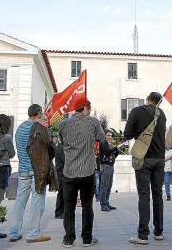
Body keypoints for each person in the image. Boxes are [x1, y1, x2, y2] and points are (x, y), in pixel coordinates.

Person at [59, 100, 105, 247]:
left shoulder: (63, 123)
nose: (89, 112)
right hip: (87, 170)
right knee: (87, 205)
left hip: (69, 170)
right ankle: (87, 239)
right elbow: (102, 138)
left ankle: (68, 238)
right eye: (89, 109)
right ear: (85, 108)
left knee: (69, 206)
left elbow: (62, 140)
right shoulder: (93, 122)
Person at [124, 92, 166, 245]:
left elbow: (127, 134)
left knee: (144, 195)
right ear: (158, 103)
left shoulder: (137, 111)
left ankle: (142, 235)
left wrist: (138, 134)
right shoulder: (162, 114)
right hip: (160, 159)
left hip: (143, 158)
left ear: (147, 99)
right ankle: (159, 232)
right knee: (158, 195)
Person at [9, 104, 53, 243]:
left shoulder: (19, 128)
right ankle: (33, 233)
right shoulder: (40, 128)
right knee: (37, 201)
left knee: (19, 201)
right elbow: (51, 147)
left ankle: (13, 233)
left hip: (23, 169)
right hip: (37, 170)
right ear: (39, 113)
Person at [99, 130, 120, 212]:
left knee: (109, 185)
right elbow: (107, 152)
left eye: (111, 135)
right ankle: (103, 204)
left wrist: (117, 151)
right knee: (104, 186)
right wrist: (116, 148)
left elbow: (113, 155)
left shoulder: (110, 144)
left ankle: (106, 202)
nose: (110, 137)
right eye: (108, 135)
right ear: (105, 136)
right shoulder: (103, 143)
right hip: (105, 166)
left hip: (111, 166)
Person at [55, 136, 65, 219]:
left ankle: (62, 211)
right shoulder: (61, 147)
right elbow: (66, 159)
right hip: (61, 173)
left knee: (63, 193)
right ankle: (59, 212)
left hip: (63, 173)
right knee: (61, 193)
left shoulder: (63, 146)